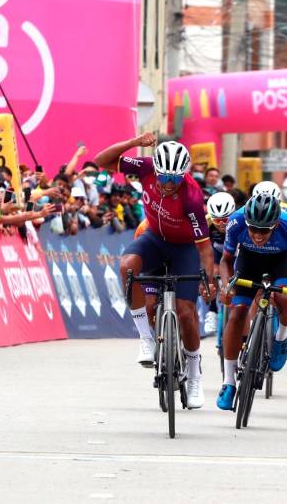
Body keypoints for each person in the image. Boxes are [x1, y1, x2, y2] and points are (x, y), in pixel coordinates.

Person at [95, 135, 215, 410]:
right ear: (156, 170)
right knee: (127, 267)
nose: (168, 184)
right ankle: (146, 339)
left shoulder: (192, 197)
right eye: (164, 178)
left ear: (183, 175)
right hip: (153, 238)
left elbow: (206, 249)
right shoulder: (145, 167)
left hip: (184, 249)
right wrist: (136, 140)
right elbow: (102, 160)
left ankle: (195, 375)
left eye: (174, 179)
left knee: (186, 313)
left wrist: (207, 280)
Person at [217, 193, 287, 410]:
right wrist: (226, 286)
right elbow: (226, 260)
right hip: (249, 260)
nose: (258, 235)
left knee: (283, 295)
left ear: (275, 224)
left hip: (281, 260)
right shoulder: (236, 222)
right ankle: (229, 382)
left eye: (264, 231)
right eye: (253, 229)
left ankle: (280, 338)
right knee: (237, 313)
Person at [204, 192, 236, 334]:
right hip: (216, 253)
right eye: (217, 221)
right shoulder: (205, 223)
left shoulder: (240, 221)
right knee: (214, 271)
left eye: (225, 219)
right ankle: (212, 311)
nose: (222, 224)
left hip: (236, 254)